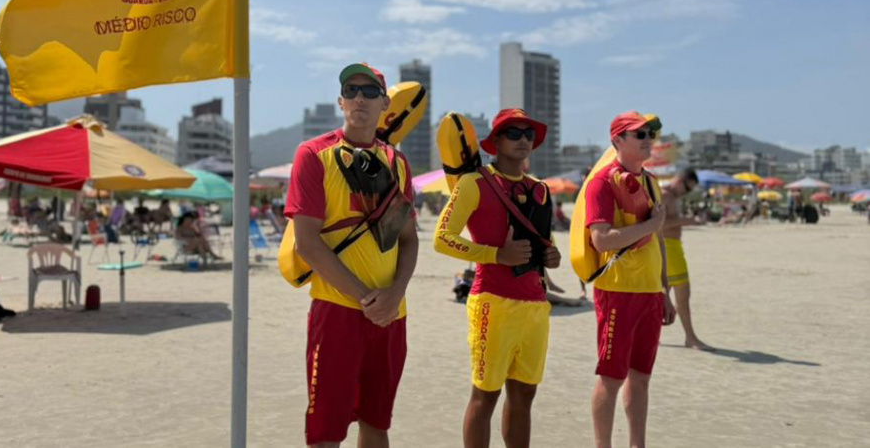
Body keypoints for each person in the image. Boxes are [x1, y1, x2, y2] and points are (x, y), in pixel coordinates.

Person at [286, 62, 418, 448]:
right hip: (337, 309)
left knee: (377, 424)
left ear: (385, 104)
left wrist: (393, 295)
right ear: (341, 101)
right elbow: (307, 243)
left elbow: (408, 239)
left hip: (392, 313)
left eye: (370, 92)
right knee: (326, 431)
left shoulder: (397, 162)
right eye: (352, 91)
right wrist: (367, 298)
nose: (360, 98)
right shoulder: (313, 154)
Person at [434, 108, 560, 448]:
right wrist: (494, 255)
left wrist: (553, 256)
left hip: (535, 304)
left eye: (528, 134)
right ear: (496, 141)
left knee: (525, 395)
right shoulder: (474, 183)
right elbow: (442, 238)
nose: (523, 140)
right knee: (485, 395)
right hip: (493, 300)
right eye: (514, 133)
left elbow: (546, 241)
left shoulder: (541, 190)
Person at [584, 111, 676, 448]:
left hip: (650, 292)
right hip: (617, 292)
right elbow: (602, 239)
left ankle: (638, 444)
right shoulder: (602, 182)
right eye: (639, 134)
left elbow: (660, 239)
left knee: (641, 377)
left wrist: (665, 291)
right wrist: (650, 227)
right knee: (610, 377)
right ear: (618, 140)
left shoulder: (651, 182)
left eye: (650, 133)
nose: (648, 139)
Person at [661, 168, 713, 351]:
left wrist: (689, 221)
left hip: (672, 247)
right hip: (668, 248)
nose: (686, 192)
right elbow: (659, 224)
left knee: (661, 295)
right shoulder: (665, 195)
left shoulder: (673, 197)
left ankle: (647, 335)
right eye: (686, 188)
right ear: (678, 180)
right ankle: (690, 338)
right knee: (683, 295)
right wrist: (687, 221)